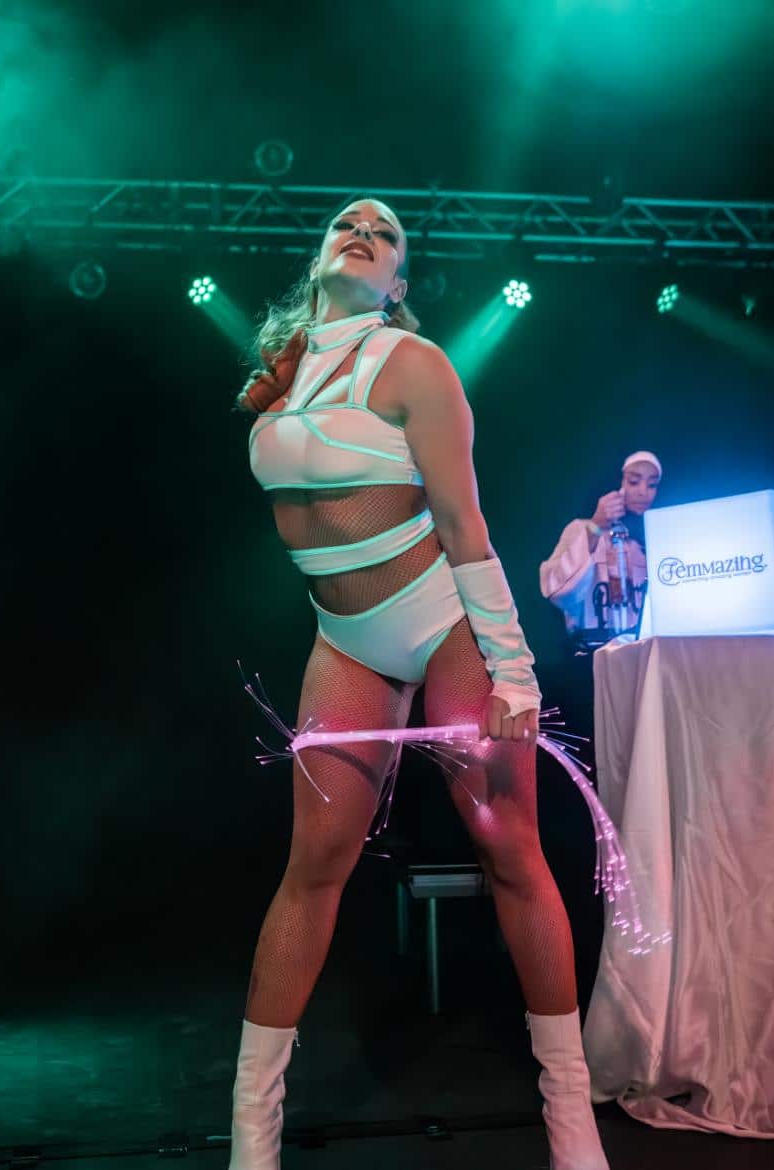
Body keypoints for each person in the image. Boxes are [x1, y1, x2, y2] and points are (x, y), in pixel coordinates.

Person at [229, 197, 610, 1170]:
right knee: (313, 862)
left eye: (385, 232)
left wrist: (513, 670)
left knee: (508, 847)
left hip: (444, 620)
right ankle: (249, 1143)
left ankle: (572, 1127)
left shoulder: (415, 363)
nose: (362, 228)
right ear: (318, 256)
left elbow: (463, 524)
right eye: (345, 223)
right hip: (343, 637)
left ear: (397, 281)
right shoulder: (280, 373)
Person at [540, 454, 663, 642]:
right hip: (595, 650)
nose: (643, 492)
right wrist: (596, 527)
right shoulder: (582, 529)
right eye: (633, 481)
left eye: (652, 484)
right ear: (618, 482)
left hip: (648, 649)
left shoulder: (657, 538)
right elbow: (557, 591)